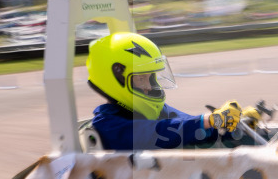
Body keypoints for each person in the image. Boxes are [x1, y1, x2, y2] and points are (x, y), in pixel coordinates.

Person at [86, 31, 258, 151]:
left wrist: (234, 127)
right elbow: (153, 133)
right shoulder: (107, 124)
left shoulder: (158, 111)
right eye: (140, 78)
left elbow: (191, 127)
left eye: (150, 77)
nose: (148, 86)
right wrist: (211, 119)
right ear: (117, 79)